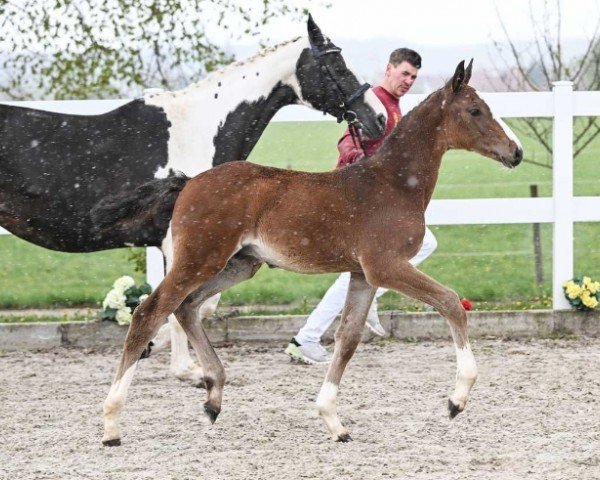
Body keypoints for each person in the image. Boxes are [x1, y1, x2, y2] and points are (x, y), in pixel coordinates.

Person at [285, 48, 438, 364]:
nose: (408, 80)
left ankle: (311, 335)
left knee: (370, 268)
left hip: (371, 202)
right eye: (404, 73)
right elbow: (348, 140)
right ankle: (308, 337)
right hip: (354, 200)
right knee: (390, 259)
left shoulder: (394, 105)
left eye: (413, 77)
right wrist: (363, 164)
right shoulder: (376, 100)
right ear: (389, 68)